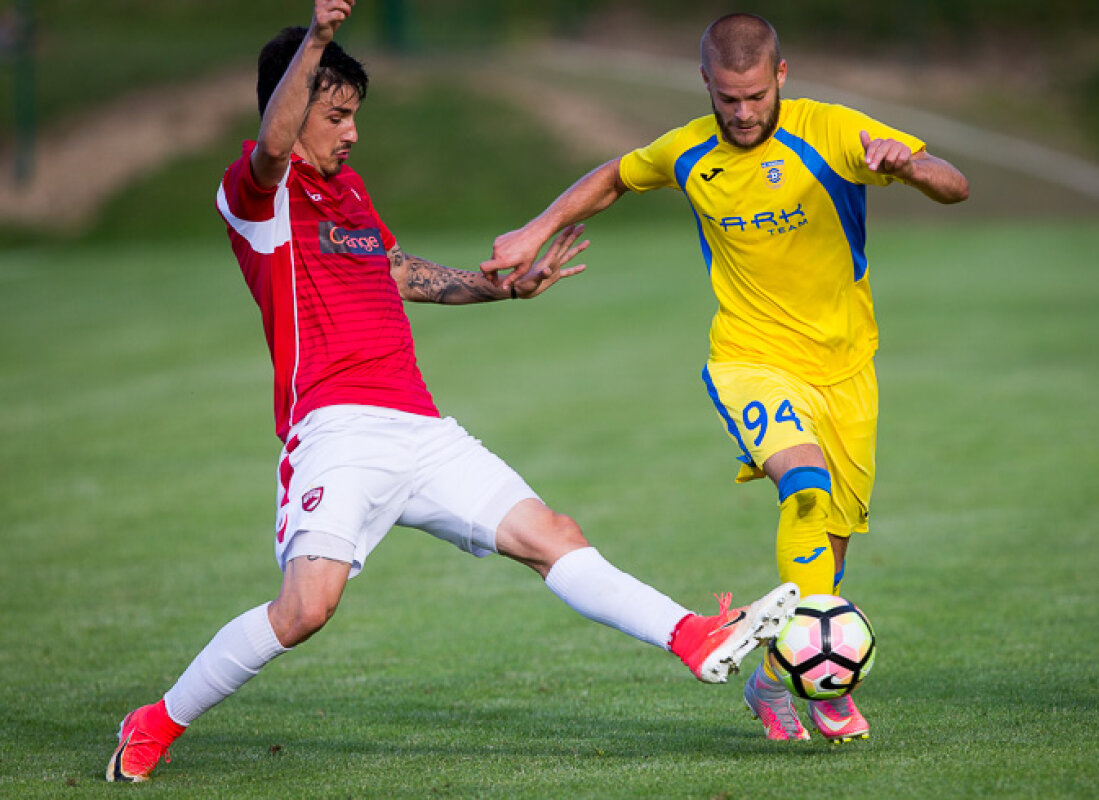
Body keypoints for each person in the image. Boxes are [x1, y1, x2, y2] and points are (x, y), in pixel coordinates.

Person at [105, 1, 803, 783]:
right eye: (336, 116)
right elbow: (273, 144)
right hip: (335, 431)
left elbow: (399, 272)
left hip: (421, 429)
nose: (352, 132)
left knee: (554, 536)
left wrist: (502, 288)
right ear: (293, 109)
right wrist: (321, 37)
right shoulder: (256, 195)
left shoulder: (351, 194)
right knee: (305, 610)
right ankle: (157, 721)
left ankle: (692, 636)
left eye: (354, 115)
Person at [482, 13, 969, 744]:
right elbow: (617, 174)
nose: (742, 114)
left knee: (828, 548)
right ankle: (826, 689)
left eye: (754, 97)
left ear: (781, 76)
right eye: (727, 98)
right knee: (802, 484)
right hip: (749, 359)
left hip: (845, 367)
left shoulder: (833, 131)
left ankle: (774, 682)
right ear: (705, 81)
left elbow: (954, 186)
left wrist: (909, 166)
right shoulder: (690, 150)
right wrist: (535, 229)